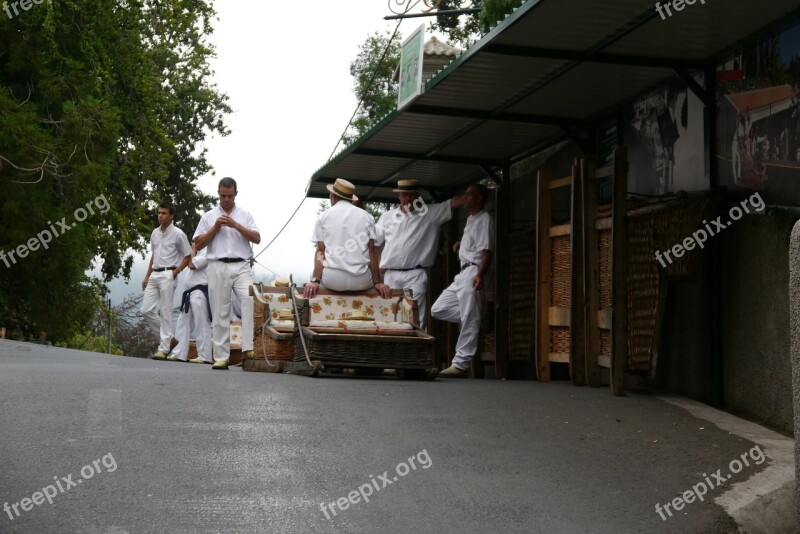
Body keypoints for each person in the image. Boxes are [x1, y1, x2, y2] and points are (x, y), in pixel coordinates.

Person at [373, 179, 466, 329]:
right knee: (391, 315)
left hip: (415, 275)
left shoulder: (430, 212)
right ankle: (395, 352)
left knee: (415, 317)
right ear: (399, 196)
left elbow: (453, 202)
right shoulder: (387, 217)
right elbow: (374, 243)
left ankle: (418, 350)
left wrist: (469, 195)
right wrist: (378, 266)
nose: (409, 198)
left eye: (412, 195)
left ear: (417, 196)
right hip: (391, 275)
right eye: (405, 195)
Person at [193, 177, 261, 370]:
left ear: (236, 194)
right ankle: (221, 357)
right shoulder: (208, 216)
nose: (226, 199)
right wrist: (215, 227)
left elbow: (257, 238)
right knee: (220, 310)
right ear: (218, 193)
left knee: (248, 300)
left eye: (229, 196)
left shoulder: (245, 214)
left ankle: (248, 349)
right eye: (223, 195)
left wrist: (235, 225)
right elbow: (198, 244)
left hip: (241, 265)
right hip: (217, 265)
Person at [431, 183, 494, 378]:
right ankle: (477, 315)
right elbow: (475, 244)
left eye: (470, 194)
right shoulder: (471, 219)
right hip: (463, 272)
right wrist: (462, 244)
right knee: (438, 309)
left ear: (480, 198)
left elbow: (486, 251)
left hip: (473, 271)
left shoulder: (485, 219)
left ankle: (461, 363)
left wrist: (480, 275)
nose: (466, 197)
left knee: (469, 316)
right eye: (465, 194)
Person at [303, 178, 390, 299]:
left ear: (332, 196)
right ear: (351, 198)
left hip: (332, 280)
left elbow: (320, 251)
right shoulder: (368, 217)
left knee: (315, 278)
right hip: (361, 281)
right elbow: (373, 251)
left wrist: (315, 281)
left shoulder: (323, 217)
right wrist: (377, 282)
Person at [141, 201, 191, 360]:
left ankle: (163, 348)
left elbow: (188, 255)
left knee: (166, 311)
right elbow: (154, 255)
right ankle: (169, 338)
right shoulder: (155, 233)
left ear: (171, 216)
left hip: (168, 274)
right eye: (159, 213)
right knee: (146, 310)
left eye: (163, 213)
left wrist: (176, 271)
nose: (160, 216)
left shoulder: (178, 234)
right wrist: (147, 275)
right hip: (155, 274)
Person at [167, 244, 212, 364]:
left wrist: (193, 250)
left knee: (201, 323)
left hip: (200, 290)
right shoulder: (200, 251)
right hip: (190, 291)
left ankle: (204, 355)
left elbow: (192, 265)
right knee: (183, 322)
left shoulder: (209, 250)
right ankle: (179, 353)